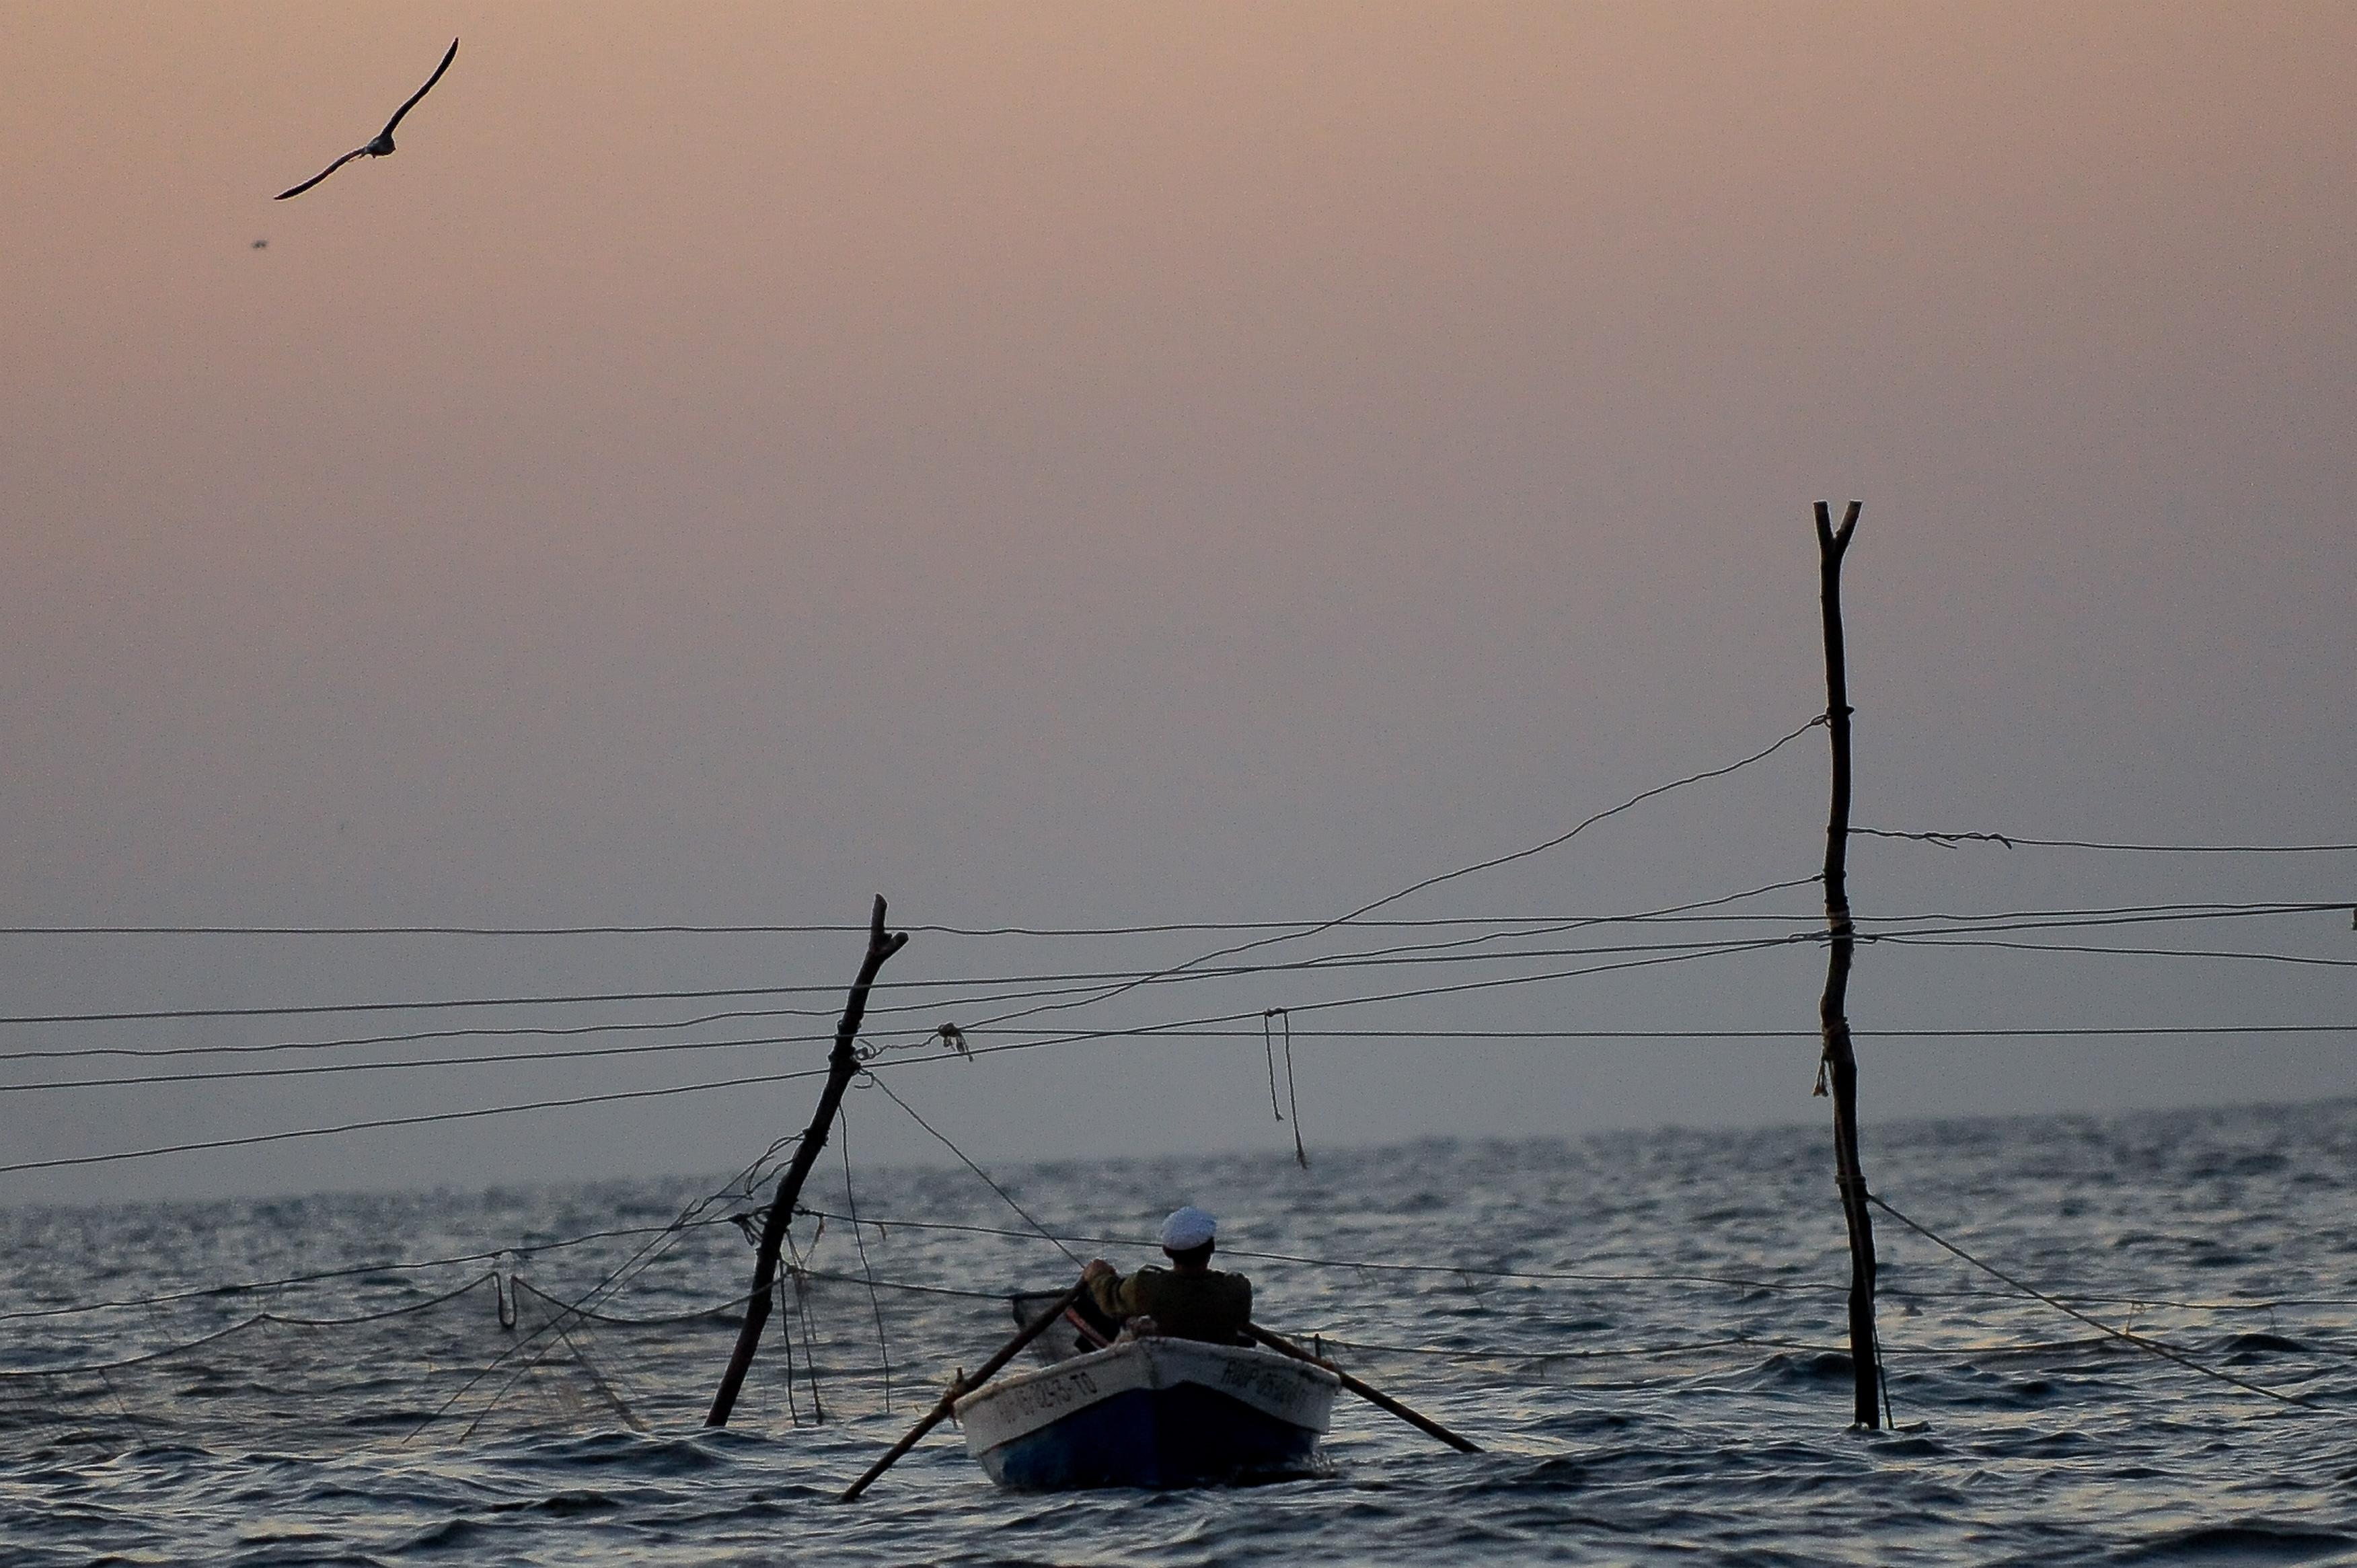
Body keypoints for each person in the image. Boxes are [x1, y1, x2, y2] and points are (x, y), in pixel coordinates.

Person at [1082, 1205, 1253, 1345]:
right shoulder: (1237, 1289)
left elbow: (1109, 1298)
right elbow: (1242, 1318)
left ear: (1166, 1251)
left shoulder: (1146, 1286)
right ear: (1213, 1247)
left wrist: (1097, 1275)